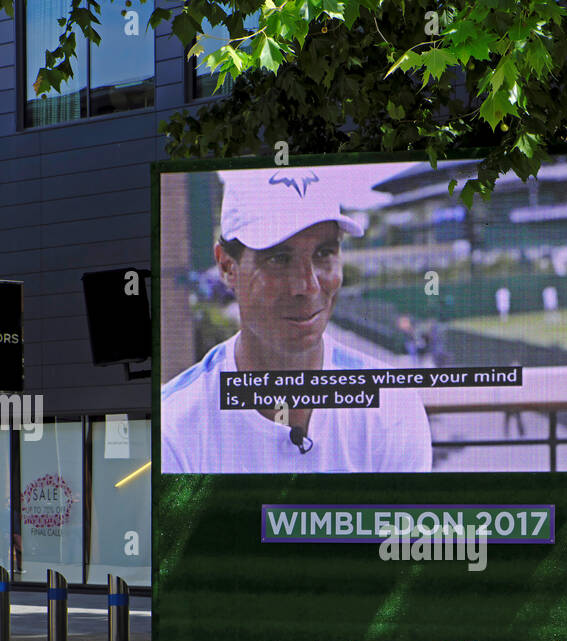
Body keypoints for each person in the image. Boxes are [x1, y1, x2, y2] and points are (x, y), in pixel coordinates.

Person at [161, 169, 433, 474]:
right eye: (278, 258)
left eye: (324, 252)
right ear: (227, 267)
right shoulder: (173, 426)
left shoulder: (392, 407)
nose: (308, 286)